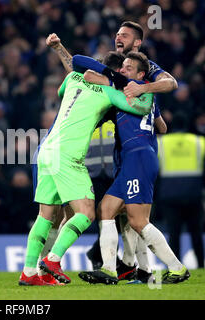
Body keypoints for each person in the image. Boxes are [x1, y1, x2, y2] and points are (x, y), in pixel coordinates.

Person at [46, 20, 176, 282]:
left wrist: (142, 88)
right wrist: (60, 49)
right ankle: (124, 268)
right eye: (117, 33)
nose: (119, 37)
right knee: (118, 214)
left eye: (125, 35)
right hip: (121, 156)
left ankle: (152, 269)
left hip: (136, 155)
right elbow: (81, 69)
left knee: (134, 217)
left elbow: (171, 83)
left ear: (137, 42)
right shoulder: (119, 78)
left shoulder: (146, 71)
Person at [19, 51, 153, 286]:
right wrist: (143, 89)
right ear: (114, 73)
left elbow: (62, 91)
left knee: (45, 215)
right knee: (87, 213)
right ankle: (52, 261)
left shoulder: (72, 79)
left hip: (46, 150)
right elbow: (141, 108)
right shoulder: (110, 92)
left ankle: (29, 272)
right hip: (69, 155)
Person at [77, 52, 190, 285]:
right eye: (123, 67)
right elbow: (162, 126)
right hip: (135, 156)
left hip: (138, 156)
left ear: (141, 75)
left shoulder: (129, 85)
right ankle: (109, 270)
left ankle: (177, 268)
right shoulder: (143, 93)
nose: (123, 71)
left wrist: (106, 79)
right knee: (106, 209)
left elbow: (87, 71)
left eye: (129, 68)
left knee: (138, 221)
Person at [157, 112, 205, 268]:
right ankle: (201, 265)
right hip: (194, 193)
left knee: (174, 234)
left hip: (170, 194)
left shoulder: (162, 143)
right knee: (196, 233)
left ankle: (174, 266)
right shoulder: (199, 141)